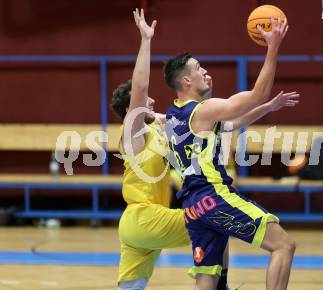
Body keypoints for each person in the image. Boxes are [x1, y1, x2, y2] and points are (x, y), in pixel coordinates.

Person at [164, 16, 298, 290]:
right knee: (283, 245)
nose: (205, 72)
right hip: (213, 196)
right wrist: (273, 47)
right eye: (199, 68)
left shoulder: (174, 115)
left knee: (209, 275)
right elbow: (258, 93)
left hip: (192, 207)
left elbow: (234, 123)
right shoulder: (202, 110)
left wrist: (268, 108)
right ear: (186, 79)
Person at [111, 9, 233, 290]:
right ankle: (220, 286)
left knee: (131, 288)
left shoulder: (155, 130)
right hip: (145, 218)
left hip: (138, 225)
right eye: (144, 101)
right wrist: (145, 41)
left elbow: (199, 119)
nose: (152, 100)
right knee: (216, 219)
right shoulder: (132, 133)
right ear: (132, 110)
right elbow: (141, 86)